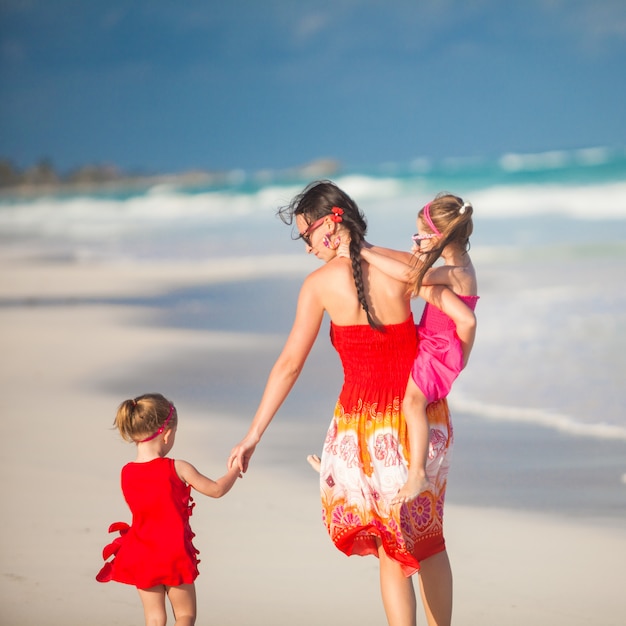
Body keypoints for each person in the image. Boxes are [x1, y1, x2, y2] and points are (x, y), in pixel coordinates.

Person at [228, 180, 472, 626]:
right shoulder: (402, 266)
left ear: (332, 223)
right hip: (424, 417)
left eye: (307, 237)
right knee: (428, 541)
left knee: (389, 550)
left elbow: (288, 366)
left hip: (365, 431)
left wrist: (253, 435)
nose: (307, 249)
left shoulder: (319, 285)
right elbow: (461, 291)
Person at [356, 193, 478, 504]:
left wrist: (460, 355)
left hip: (439, 348)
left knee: (412, 403)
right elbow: (411, 266)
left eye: (420, 238)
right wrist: (366, 247)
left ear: (440, 238)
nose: (415, 245)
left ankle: (418, 474)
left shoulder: (456, 273)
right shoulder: (456, 263)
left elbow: (413, 276)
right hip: (432, 341)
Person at [97, 393, 241, 626]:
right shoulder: (177, 467)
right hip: (172, 552)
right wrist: (234, 470)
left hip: (141, 551)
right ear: (167, 434)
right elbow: (215, 490)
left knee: (154, 619)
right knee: (185, 615)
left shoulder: (127, 472)